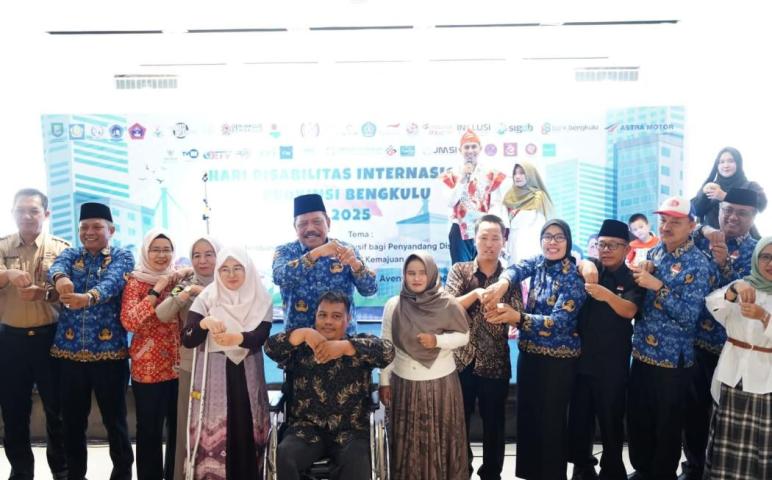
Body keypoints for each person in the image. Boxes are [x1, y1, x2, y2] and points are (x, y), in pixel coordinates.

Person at [484, 219, 588, 480]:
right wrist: (503, 283)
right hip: (530, 356)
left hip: (558, 362)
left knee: (551, 424)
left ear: (568, 242)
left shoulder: (573, 276)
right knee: (528, 420)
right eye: (547, 236)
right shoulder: (538, 263)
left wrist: (516, 317)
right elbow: (517, 268)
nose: (552, 242)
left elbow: (559, 322)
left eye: (559, 237)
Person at [625, 196, 714, 480]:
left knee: (667, 427)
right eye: (663, 220)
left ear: (691, 225)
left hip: (672, 362)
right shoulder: (655, 253)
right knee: (638, 419)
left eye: (675, 222)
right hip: (642, 352)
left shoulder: (699, 264)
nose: (666, 227)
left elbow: (689, 316)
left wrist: (658, 286)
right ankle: (642, 470)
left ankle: (662, 475)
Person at [265, 291, 394, 480]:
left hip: (350, 430)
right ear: (315, 317)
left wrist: (345, 347)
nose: (328, 321)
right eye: (322, 315)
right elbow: (270, 347)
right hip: (306, 429)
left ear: (348, 319)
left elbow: (388, 352)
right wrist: (303, 333)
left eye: (336, 316)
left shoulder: (359, 345)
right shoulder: (300, 348)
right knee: (284, 455)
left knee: (358, 461)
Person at [48, 202, 135, 480]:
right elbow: (56, 266)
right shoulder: (71, 255)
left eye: (97, 226)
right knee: (72, 424)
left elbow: (112, 283)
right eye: (84, 227)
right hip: (69, 355)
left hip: (110, 355)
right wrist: (61, 279)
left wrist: (87, 298)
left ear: (111, 230)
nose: (89, 232)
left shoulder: (122, 256)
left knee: (115, 422)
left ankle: (122, 474)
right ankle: (76, 475)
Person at [679, 188, 760, 480]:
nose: (733, 217)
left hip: (733, 349)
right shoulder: (703, 238)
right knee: (692, 411)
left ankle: (717, 472)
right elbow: (684, 227)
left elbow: (745, 294)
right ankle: (693, 468)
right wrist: (707, 229)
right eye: (728, 210)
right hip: (695, 344)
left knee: (725, 416)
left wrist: (725, 264)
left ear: (753, 217)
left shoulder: (758, 253)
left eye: (742, 213)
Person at [182, 246, 272, 479]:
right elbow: (188, 339)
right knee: (217, 428)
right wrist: (204, 324)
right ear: (218, 272)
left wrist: (237, 338)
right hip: (214, 374)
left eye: (237, 268)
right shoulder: (207, 297)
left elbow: (260, 336)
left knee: (246, 424)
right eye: (225, 269)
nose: (231, 275)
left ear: (248, 269)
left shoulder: (260, 297)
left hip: (247, 371)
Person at [445, 214, 522, 480]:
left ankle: (492, 473)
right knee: (459, 422)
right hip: (461, 360)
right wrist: (476, 294)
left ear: (503, 241)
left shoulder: (510, 276)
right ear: (474, 240)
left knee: (494, 424)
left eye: (495, 238)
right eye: (484, 237)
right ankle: (461, 470)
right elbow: (447, 308)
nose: (489, 244)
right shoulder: (460, 270)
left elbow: (518, 313)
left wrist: (502, 309)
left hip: (495, 362)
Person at [380, 252, 470, 479]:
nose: (417, 278)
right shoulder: (394, 305)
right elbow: (386, 346)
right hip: (404, 386)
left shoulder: (447, 303)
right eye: (411, 273)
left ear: (431, 274)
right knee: (408, 446)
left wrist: (437, 341)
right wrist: (383, 382)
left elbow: (464, 336)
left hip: (441, 387)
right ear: (404, 275)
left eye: (422, 273)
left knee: (442, 441)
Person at [567, 220, 645, 480]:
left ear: (626, 249)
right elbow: (579, 263)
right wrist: (587, 264)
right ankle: (582, 468)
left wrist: (606, 295)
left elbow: (630, 310)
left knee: (611, 421)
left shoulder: (632, 278)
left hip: (612, 363)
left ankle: (612, 470)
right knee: (580, 419)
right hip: (581, 360)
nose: (606, 250)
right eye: (602, 245)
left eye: (613, 245)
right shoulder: (592, 267)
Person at [0, 188, 69, 480]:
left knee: (58, 409)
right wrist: (8, 274)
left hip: (50, 339)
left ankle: (61, 469)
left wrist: (44, 293)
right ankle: (21, 471)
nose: (27, 216)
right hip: (9, 342)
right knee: (13, 411)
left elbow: (71, 294)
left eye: (34, 211)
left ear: (46, 214)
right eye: (21, 210)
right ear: (12, 213)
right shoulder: (2, 246)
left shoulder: (62, 249)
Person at [120, 229, 191, 480]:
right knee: (149, 430)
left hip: (178, 365)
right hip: (148, 368)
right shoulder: (135, 281)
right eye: (155, 250)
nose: (161, 255)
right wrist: (155, 291)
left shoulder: (177, 279)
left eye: (166, 250)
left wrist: (180, 275)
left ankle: (174, 475)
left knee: (177, 428)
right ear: (145, 252)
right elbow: (130, 321)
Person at [703, 237, 772, 479]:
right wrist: (733, 290)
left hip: (766, 379)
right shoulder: (744, 284)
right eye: (765, 257)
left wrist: (764, 317)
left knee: (762, 445)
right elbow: (713, 306)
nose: (770, 264)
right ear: (756, 258)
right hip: (733, 373)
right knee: (727, 442)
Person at [155, 236, 220, 480]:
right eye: (196, 255)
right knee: (186, 425)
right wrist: (185, 293)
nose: (202, 260)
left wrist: (202, 293)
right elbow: (162, 313)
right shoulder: (185, 284)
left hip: (222, 364)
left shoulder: (229, 281)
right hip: (190, 363)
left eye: (209, 254)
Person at [272, 193, 377, 334]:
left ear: (328, 223)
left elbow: (370, 290)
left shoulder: (346, 250)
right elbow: (279, 277)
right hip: (298, 339)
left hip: (342, 341)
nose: (310, 228)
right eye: (303, 224)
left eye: (317, 222)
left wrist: (356, 265)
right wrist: (317, 252)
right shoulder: (285, 251)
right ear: (295, 228)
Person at [441, 129, 507, 264]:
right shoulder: (451, 174)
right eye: (466, 147)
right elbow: (450, 202)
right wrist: (462, 179)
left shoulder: (491, 173)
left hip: (484, 229)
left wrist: (494, 229)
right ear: (460, 150)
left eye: (473, 146)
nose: (470, 150)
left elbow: (496, 204)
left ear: (480, 149)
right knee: (461, 269)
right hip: (460, 229)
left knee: (485, 268)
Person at [690, 147, 767, 237]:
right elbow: (695, 211)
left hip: (742, 240)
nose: (726, 165)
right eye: (721, 162)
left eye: (730, 161)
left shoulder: (750, 186)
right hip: (711, 240)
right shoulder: (711, 187)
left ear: (738, 163)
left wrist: (725, 196)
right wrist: (703, 194)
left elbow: (762, 204)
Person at [502, 161, 554, 265]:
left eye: (522, 173)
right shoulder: (509, 196)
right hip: (512, 243)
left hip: (531, 244)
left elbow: (540, 226)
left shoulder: (538, 196)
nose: (517, 176)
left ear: (530, 175)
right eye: (515, 173)